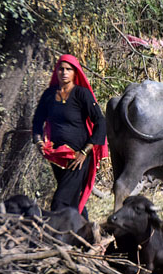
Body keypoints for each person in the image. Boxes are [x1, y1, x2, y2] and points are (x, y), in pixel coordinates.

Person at [32, 54, 108, 220]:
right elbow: (37, 122)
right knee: (72, 199)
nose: (64, 72)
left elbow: (100, 122)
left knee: (60, 201)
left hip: (77, 158)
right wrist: (39, 143)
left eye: (69, 69)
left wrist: (85, 151)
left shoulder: (82, 94)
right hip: (57, 157)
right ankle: (85, 236)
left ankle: (54, 237)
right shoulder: (49, 95)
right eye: (61, 69)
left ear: (75, 73)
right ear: (56, 71)